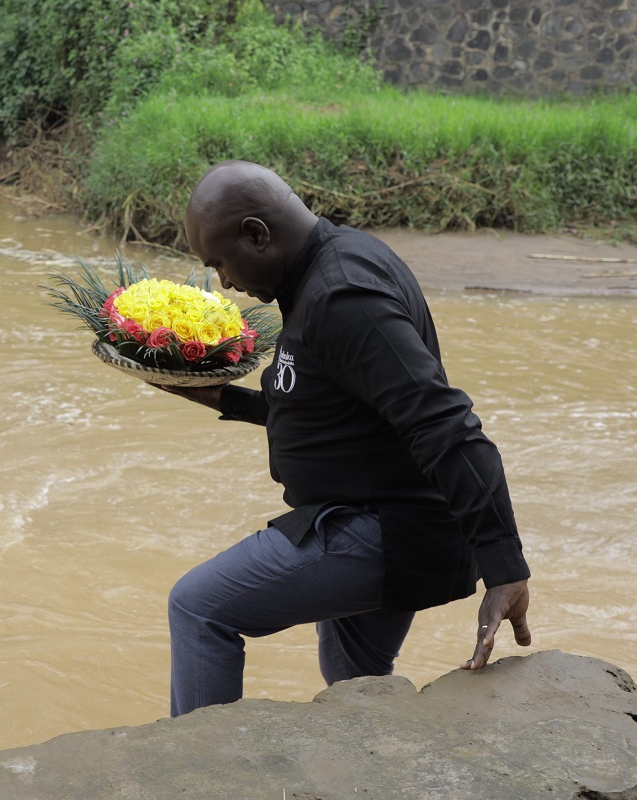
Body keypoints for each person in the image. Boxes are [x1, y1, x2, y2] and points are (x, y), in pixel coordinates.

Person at [162, 160, 532, 717]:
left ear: (257, 234)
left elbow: (444, 423)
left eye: (221, 263)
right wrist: (215, 395)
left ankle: (197, 772)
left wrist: (505, 566)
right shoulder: (329, 263)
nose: (227, 283)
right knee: (352, 683)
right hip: (373, 511)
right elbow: (323, 408)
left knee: (198, 609)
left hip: (385, 527)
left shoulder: (344, 297)